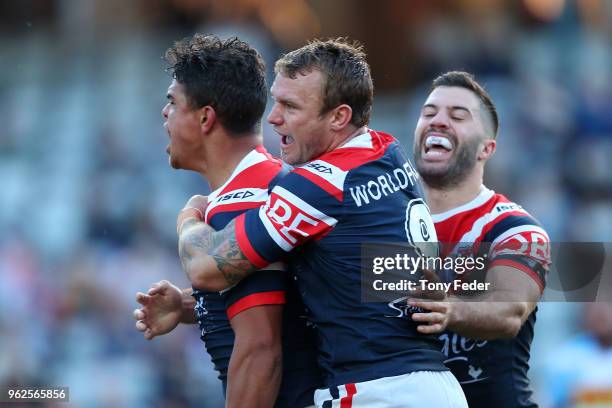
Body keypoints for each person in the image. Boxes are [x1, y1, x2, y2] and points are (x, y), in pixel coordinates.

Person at [175, 39, 468, 408]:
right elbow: (344, 271)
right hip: (435, 387)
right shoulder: (388, 153)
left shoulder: (318, 185)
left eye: (290, 106)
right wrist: (188, 306)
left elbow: (207, 267)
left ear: (339, 117)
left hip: (378, 391)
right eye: (275, 101)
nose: (273, 118)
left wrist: (190, 217)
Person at [133, 34, 321, 407]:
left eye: (172, 101)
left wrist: (188, 216)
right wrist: (193, 305)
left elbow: (260, 353)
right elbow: (281, 300)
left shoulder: (244, 201)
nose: (164, 112)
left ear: (205, 118)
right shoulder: (266, 183)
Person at [407, 71, 551, 408]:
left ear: (487, 148)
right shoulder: (385, 218)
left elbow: (509, 311)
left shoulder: (513, 228)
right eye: (429, 113)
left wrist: (450, 309)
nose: (438, 121)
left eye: (458, 116)